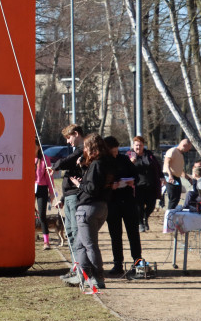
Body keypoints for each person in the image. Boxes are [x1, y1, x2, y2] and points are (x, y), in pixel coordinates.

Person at [64, 133, 115, 291]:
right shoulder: (108, 163)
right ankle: (82, 275)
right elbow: (98, 183)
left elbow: (92, 188)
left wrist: (79, 185)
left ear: (92, 148)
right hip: (102, 207)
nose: (84, 150)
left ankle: (97, 278)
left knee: (89, 245)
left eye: (86, 147)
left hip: (88, 209)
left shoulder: (97, 164)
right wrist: (85, 174)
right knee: (80, 245)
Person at [103, 136, 141, 277]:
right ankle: (118, 264)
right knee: (115, 234)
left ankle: (137, 262)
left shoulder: (124, 159)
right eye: (113, 151)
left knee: (133, 232)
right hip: (112, 202)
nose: (116, 153)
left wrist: (132, 181)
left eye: (117, 150)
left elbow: (136, 175)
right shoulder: (103, 162)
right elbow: (100, 182)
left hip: (128, 200)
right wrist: (110, 185)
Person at [47, 124, 86, 255]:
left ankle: (81, 267)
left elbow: (69, 160)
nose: (68, 142)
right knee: (69, 231)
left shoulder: (83, 149)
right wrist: (63, 198)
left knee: (75, 232)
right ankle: (76, 265)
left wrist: (55, 166)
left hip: (75, 196)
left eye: (69, 138)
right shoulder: (77, 150)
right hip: (69, 196)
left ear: (76, 134)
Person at [128, 136, 161, 231]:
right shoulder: (129, 155)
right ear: (133, 145)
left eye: (140, 145)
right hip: (137, 186)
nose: (138, 147)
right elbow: (125, 170)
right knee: (139, 206)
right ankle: (141, 223)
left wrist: (161, 176)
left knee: (151, 205)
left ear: (143, 146)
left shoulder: (149, 155)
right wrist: (131, 163)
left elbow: (157, 167)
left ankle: (145, 217)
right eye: (137, 145)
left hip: (151, 185)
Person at [34, 145, 55, 250]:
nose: (32, 148)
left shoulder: (45, 158)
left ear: (38, 147)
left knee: (42, 215)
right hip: (28, 189)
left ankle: (46, 242)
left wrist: (51, 193)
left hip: (41, 188)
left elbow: (49, 176)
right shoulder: (24, 156)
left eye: (34, 146)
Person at [163, 139, 193, 211]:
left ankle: (172, 214)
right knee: (173, 198)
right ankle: (169, 216)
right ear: (184, 145)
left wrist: (188, 178)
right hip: (170, 177)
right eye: (188, 149)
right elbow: (167, 164)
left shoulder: (180, 155)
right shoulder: (172, 151)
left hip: (177, 178)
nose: (187, 151)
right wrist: (170, 175)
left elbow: (179, 170)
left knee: (177, 198)